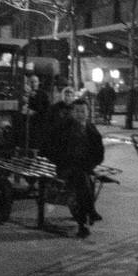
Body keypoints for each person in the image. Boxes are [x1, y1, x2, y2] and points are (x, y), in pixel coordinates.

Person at [47, 99, 105, 238]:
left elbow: (99, 152)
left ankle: (84, 222)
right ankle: (89, 213)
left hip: (84, 167)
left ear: (87, 113)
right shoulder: (63, 127)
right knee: (83, 180)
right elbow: (50, 147)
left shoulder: (91, 129)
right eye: (77, 111)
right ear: (72, 112)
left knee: (83, 181)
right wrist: (61, 161)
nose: (80, 114)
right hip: (66, 166)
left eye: (83, 111)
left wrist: (91, 164)